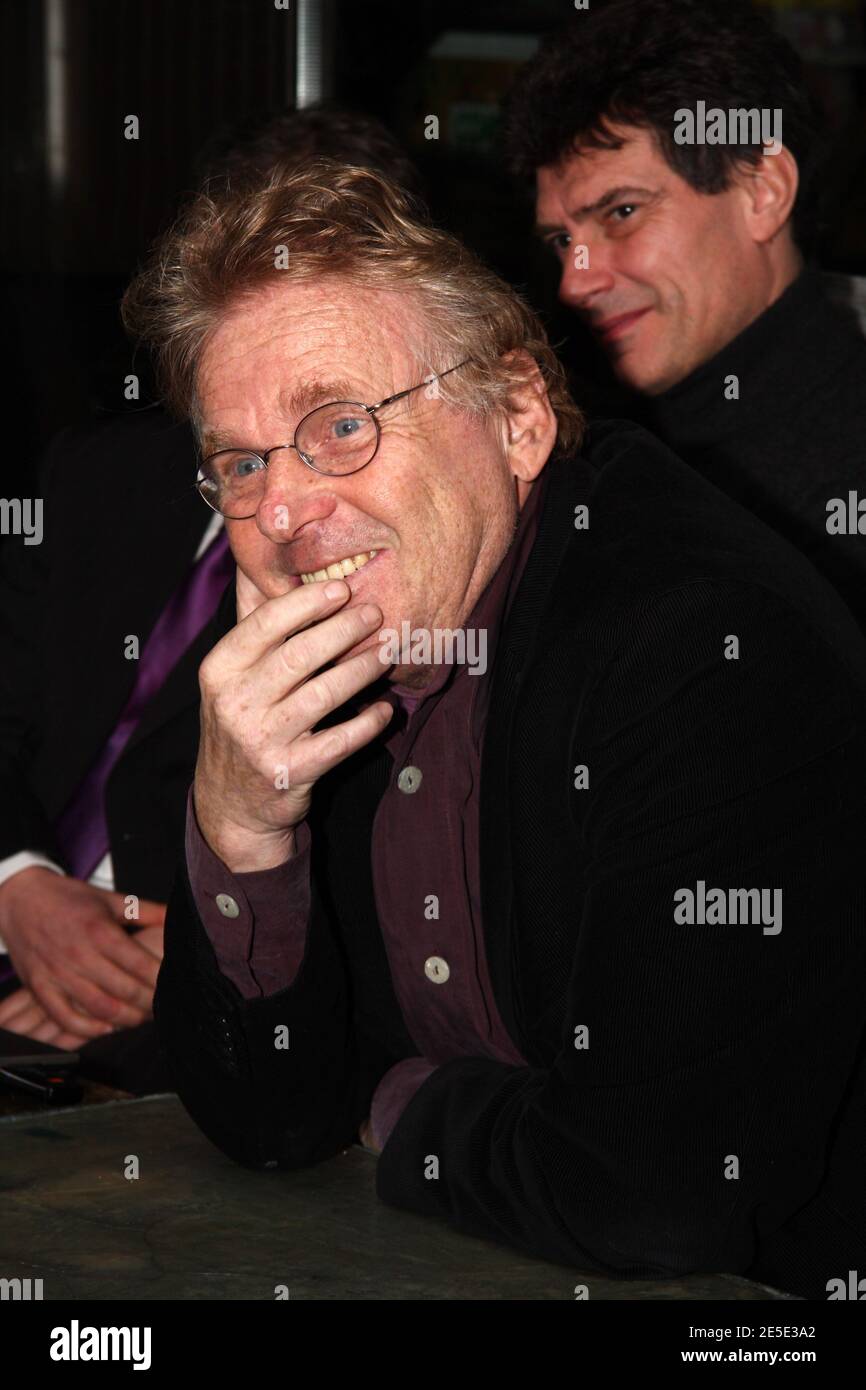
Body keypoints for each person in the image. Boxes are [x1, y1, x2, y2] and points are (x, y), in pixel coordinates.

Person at [125, 157, 866, 1299]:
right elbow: (268, 1127)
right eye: (239, 460)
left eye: (339, 425)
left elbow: (659, 1195)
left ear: (517, 417)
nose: (278, 509)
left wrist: (398, 1097)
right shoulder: (346, 638)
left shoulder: (703, 648)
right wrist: (240, 824)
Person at [0, 108, 420, 1093]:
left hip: (205, 1009)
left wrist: (181, 960)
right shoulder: (94, 473)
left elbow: (383, 844)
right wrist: (20, 887)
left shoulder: (399, 526)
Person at [505, 0, 866, 632]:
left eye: (622, 212)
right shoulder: (590, 449)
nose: (575, 280)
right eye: (561, 241)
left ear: (764, 190)